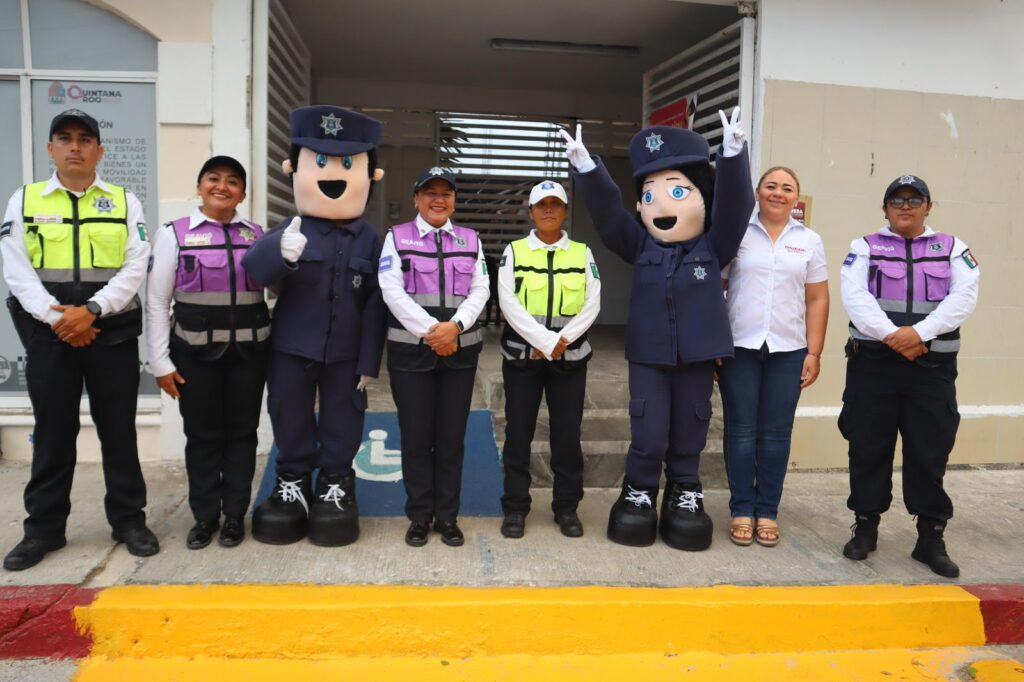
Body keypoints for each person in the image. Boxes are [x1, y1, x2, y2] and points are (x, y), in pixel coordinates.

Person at [562, 110, 754, 550]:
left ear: (702, 197)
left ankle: (685, 491)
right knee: (648, 432)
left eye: (677, 191)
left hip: (698, 356)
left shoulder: (714, 245)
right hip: (649, 355)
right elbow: (609, 217)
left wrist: (732, 155)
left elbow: (735, 208)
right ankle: (640, 490)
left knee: (690, 430)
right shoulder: (641, 244)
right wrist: (588, 168)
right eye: (649, 195)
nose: (661, 206)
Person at [1, 109, 157, 570]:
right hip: (50, 335)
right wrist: (60, 319)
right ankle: (43, 530)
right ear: (50, 148)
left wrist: (90, 311)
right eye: (65, 138)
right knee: (53, 433)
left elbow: (136, 264)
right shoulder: (24, 200)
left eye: (85, 139)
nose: (75, 146)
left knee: (118, 431)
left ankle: (129, 521)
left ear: (99, 151)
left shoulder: (124, 202)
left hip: (110, 334)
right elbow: (16, 269)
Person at [243, 105, 387, 547]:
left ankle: (335, 483)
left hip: (346, 352)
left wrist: (369, 361)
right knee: (290, 414)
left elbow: (376, 302)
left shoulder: (370, 238)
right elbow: (254, 270)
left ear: (370, 175)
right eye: (320, 161)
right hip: (292, 347)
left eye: (346, 164)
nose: (333, 175)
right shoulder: (292, 227)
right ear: (294, 169)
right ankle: (292, 483)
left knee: (344, 418)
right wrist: (280, 253)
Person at [839, 174, 979, 578]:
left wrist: (918, 334)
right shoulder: (864, 247)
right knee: (867, 447)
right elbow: (855, 297)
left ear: (928, 207)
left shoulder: (953, 248)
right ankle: (866, 526)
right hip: (874, 367)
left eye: (914, 199)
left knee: (929, 451)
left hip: (931, 370)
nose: (905, 206)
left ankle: (930, 537)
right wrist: (895, 337)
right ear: (885, 209)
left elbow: (963, 297)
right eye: (897, 200)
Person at [146, 156, 268, 549]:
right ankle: (204, 517)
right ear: (200, 186)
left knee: (242, 434)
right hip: (194, 356)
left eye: (233, 181)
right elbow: (157, 302)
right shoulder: (174, 235)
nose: (222, 186)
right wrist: (160, 362)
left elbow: (279, 287)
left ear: (243, 193)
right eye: (213, 178)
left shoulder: (257, 236)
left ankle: (234, 516)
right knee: (202, 436)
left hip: (248, 354)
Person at [718, 166, 829, 547]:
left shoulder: (809, 240)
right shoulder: (737, 234)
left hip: (789, 350)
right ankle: (741, 509)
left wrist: (814, 351)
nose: (778, 193)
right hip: (739, 348)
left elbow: (817, 298)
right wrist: (714, 343)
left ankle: (767, 510)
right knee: (741, 431)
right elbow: (716, 288)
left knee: (776, 434)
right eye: (771, 186)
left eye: (787, 188)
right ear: (758, 192)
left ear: (796, 196)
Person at [379, 167, 489, 548]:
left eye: (446, 193)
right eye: (430, 192)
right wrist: (434, 332)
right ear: (416, 199)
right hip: (411, 357)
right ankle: (419, 516)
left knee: (451, 439)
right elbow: (391, 291)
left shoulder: (471, 239)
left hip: (459, 355)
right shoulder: (397, 238)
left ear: (454, 200)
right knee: (415, 438)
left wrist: (454, 327)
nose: (438, 199)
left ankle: (447, 517)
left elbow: (480, 289)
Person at [497, 180, 601, 539]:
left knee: (567, 436)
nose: (548, 210)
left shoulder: (582, 253)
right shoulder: (514, 251)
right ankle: (515, 508)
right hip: (523, 359)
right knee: (518, 435)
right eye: (542, 205)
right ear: (530, 212)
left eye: (555, 204)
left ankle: (566, 508)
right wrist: (544, 340)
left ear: (566, 211)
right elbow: (508, 301)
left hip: (568, 360)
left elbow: (593, 302)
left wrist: (561, 341)